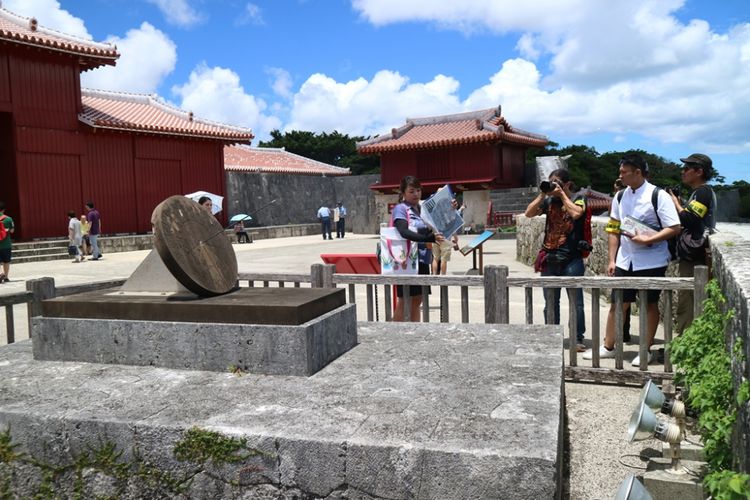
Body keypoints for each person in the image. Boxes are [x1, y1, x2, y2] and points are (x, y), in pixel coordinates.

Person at [583, 154, 681, 366]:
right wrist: (611, 259)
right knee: (618, 303)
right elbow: (613, 229)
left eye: (624, 172)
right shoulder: (620, 197)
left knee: (649, 304)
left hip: (652, 260)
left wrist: (649, 238)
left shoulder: (658, 195)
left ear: (638, 172)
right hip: (625, 260)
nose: (620, 175)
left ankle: (645, 349)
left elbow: (674, 227)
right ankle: (609, 346)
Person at [525, 168, 588, 352]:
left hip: (572, 259)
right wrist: (543, 194)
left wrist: (562, 194)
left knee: (576, 302)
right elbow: (529, 213)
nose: (554, 185)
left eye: (557, 182)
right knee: (551, 301)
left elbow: (576, 214)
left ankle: (577, 338)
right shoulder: (549, 201)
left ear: (567, 184)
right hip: (550, 257)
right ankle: (552, 335)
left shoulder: (578, 198)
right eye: (551, 181)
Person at [670, 153, 717, 335]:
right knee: (689, 300)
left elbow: (689, 219)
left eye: (687, 168)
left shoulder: (703, 192)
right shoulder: (699, 192)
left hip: (695, 257)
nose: (683, 172)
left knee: (688, 301)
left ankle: (686, 342)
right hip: (695, 256)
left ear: (699, 171)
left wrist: (674, 201)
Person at [391, 176, 445, 322]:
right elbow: (404, 232)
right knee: (405, 299)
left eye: (419, 190)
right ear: (403, 193)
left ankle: (415, 329)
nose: (416, 194)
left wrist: (451, 206)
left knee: (418, 299)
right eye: (411, 191)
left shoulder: (422, 209)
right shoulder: (400, 209)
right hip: (406, 260)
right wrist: (429, 239)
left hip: (422, 258)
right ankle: (393, 331)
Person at [0, 202, 15, 283]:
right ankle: (6, 277)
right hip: (6, 245)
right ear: (3, 210)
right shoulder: (8, 219)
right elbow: (12, 231)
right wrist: (7, 230)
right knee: (6, 261)